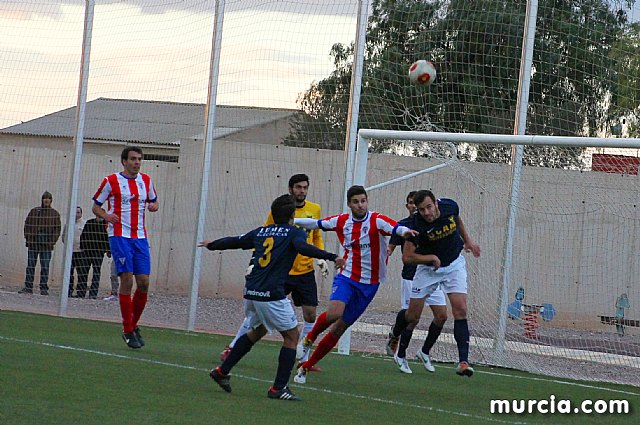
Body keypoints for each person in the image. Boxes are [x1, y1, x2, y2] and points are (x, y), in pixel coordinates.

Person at [200, 194, 345, 401]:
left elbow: (237, 241)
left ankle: (222, 371)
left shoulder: (262, 231)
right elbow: (304, 248)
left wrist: (212, 244)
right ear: (292, 215)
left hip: (251, 291)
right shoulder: (294, 233)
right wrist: (331, 257)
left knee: (258, 330)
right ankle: (279, 388)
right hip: (271, 294)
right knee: (292, 337)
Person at [293, 185, 418, 384]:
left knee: (340, 328)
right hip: (348, 276)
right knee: (334, 313)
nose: (360, 205)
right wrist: (291, 221)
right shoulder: (342, 221)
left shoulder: (377, 220)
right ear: (349, 204)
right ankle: (308, 339)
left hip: (370, 284)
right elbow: (315, 224)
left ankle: (305, 368)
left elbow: (395, 228)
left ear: (367, 201)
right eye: (356, 202)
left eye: (363, 201)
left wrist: (406, 232)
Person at [220, 174, 328, 371]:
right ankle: (232, 346)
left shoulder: (315, 208)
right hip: (282, 271)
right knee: (258, 318)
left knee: (311, 314)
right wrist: (254, 262)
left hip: (305, 271)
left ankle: (304, 358)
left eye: (305, 187)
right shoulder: (280, 210)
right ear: (290, 189)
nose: (302, 191)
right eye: (298, 187)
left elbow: (316, 236)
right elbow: (264, 236)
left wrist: (320, 257)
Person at [388, 190, 481, 377]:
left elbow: (457, 219)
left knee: (460, 310)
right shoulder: (414, 226)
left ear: (436, 204)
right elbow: (407, 257)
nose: (427, 213)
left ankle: (463, 361)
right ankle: (396, 333)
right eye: (422, 210)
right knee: (412, 316)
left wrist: (468, 240)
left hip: (454, 264)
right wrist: (430, 258)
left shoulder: (449, 206)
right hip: (428, 271)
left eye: (429, 207)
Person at [92, 146, 159, 349]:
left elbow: (154, 201)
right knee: (127, 280)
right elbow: (96, 206)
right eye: (133, 159)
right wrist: (106, 216)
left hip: (139, 236)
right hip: (119, 235)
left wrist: (154, 206)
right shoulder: (111, 181)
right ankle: (127, 329)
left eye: (139, 159)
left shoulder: (146, 181)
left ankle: (133, 326)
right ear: (124, 161)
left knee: (144, 282)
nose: (137, 162)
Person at [386, 191, 448, 374]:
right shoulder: (404, 226)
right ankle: (401, 352)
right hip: (411, 277)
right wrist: (385, 254)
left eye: (419, 205)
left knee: (442, 315)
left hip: (433, 276)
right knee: (412, 319)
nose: (415, 207)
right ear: (408, 206)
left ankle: (425, 351)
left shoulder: (434, 223)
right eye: (411, 203)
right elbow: (391, 247)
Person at [19, 191, 61, 296]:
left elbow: (57, 230)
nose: (46, 200)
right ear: (42, 199)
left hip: (46, 244)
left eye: (48, 198)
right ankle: (28, 286)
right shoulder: (34, 211)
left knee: (45, 266)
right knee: (30, 265)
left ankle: (43, 287)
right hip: (34, 243)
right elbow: (27, 224)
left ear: (51, 200)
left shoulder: (54, 214)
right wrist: (28, 238)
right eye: (44, 198)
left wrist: (51, 242)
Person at [80, 213, 111, 299]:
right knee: (84, 272)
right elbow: (83, 235)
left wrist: (108, 250)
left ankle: (93, 293)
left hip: (99, 253)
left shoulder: (106, 225)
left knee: (96, 272)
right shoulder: (89, 223)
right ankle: (81, 292)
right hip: (87, 251)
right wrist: (83, 247)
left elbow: (108, 238)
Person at [63, 206, 88, 298]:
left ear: (81, 213)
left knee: (81, 273)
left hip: (81, 252)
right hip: (70, 252)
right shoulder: (68, 224)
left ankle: (81, 292)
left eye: (78, 212)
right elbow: (64, 237)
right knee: (69, 272)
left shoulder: (85, 224)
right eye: (75, 212)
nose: (76, 214)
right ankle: (68, 291)